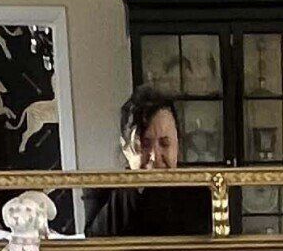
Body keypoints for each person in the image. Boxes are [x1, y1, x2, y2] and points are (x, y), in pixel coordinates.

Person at [83, 86, 210, 238]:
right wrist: (135, 186)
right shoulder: (100, 191)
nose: (155, 157)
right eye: (144, 145)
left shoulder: (201, 191)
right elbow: (96, 242)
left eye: (164, 144)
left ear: (178, 144)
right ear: (125, 148)